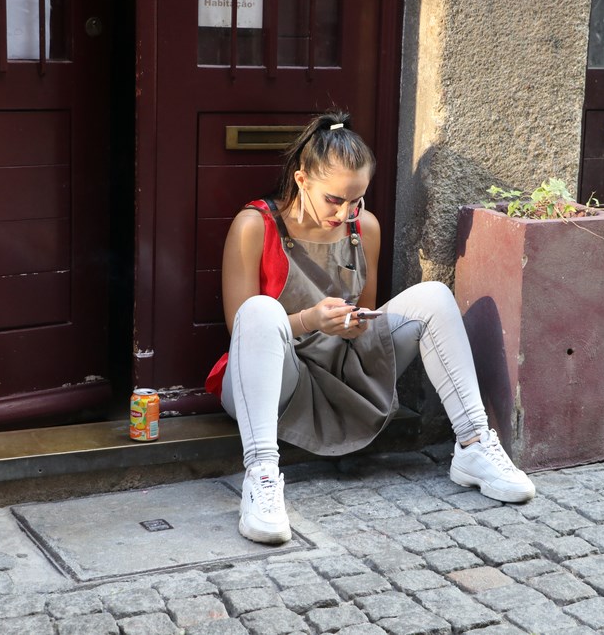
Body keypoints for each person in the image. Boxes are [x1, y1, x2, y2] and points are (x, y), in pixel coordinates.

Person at [206, 111, 535, 545]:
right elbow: (243, 330)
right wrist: (310, 320)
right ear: (302, 180)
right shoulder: (254, 225)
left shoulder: (365, 228)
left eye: (356, 200)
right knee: (260, 310)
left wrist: (354, 324)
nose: (345, 213)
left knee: (435, 296)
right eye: (333, 200)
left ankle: (474, 445)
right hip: (272, 382)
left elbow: (366, 314)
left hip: (343, 372)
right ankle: (262, 475)